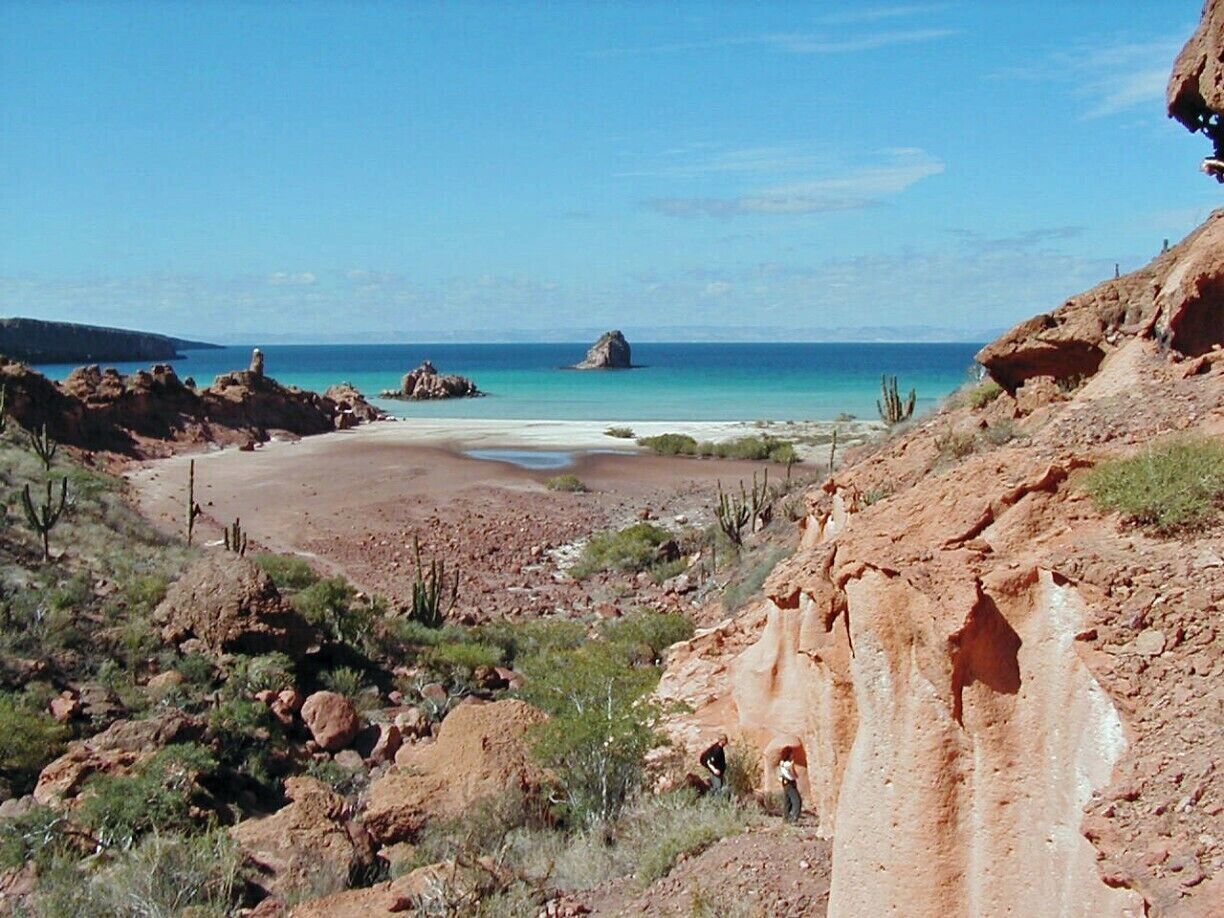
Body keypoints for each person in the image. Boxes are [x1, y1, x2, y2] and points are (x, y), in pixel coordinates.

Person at [778, 746, 802, 823]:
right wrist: (795, 776)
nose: (793, 755)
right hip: (790, 783)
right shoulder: (788, 763)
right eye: (791, 753)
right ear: (789, 754)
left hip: (785, 783)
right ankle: (793, 819)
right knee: (797, 801)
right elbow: (792, 771)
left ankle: (786, 819)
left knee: (787, 801)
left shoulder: (782, 762)